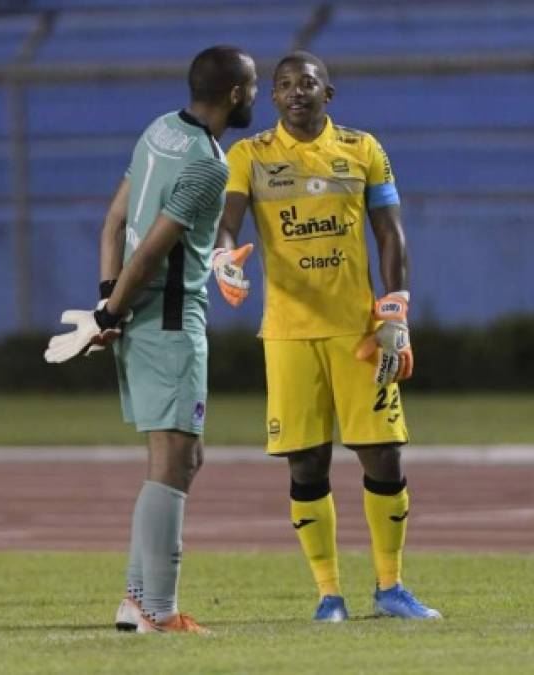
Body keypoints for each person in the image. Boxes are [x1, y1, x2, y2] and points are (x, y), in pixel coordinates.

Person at [214, 51, 441, 621]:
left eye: (307, 83)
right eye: (284, 84)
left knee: (382, 456)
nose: (296, 91)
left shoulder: (363, 149)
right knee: (307, 464)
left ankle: (391, 589)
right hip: (289, 335)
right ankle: (328, 595)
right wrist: (223, 256)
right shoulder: (250, 154)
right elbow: (229, 217)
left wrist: (396, 311)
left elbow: (390, 233)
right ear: (272, 96)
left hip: (359, 332)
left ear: (327, 93)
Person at [44, 46, 258, 634]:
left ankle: (135, 600)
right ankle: (155, 609)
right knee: (175, 460)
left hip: (138, 319)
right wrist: (109, 311)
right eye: (255, 87)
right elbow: (154, 247)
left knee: (181, 457)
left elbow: (114, 221)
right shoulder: (210, 165)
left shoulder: (159, 130)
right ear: (237, 94)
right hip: (168, 321)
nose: (256, 96)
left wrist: (107, 304)